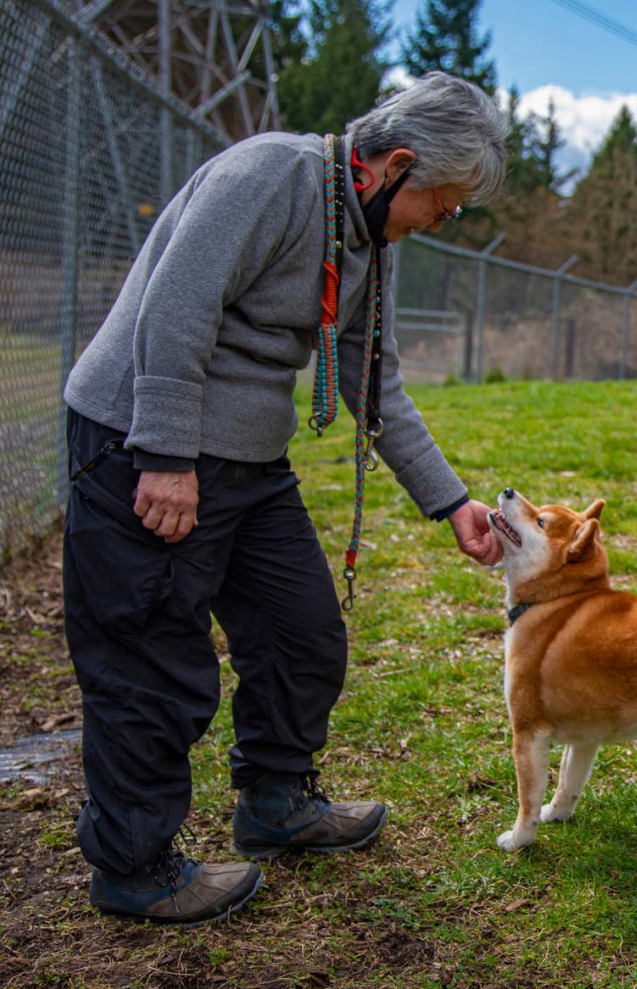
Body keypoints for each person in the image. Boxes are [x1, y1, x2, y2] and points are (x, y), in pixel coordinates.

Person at [60, 71, 508, 926]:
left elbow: (376, 384)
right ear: (397, 166)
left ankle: (276, 802)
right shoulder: (270, 176)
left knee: (302, 632)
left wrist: (451, 503)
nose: (439, 226)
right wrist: (161, 454)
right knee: (151, 665)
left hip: (248, 463)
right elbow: (176, 307)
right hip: (143, 441)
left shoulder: (363, 239)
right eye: (442, 208)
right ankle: (134, 866)